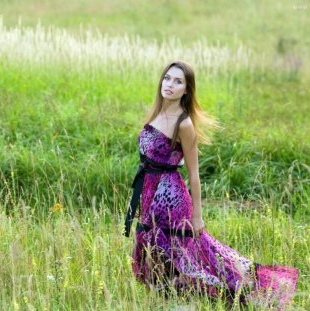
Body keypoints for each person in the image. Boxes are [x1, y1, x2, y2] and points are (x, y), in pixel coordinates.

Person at [124, 61, 298, 308]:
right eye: (167, 78)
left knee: (188, 254)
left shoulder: (183, 123)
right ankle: (169, 300)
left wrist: (197, 216)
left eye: (178, 81)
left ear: (186, 90)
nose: (170, 85)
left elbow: (194, 174)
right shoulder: (156, 113)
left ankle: (243, 289)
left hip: (171, 198)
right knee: (151, 254)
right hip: (150, 192)